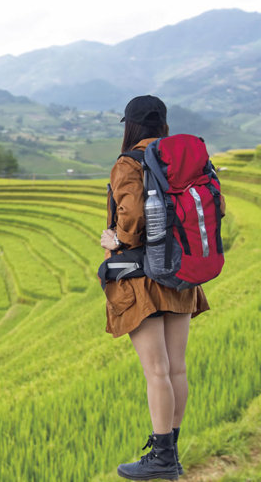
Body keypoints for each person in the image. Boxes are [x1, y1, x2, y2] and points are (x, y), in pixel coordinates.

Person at [100, 95, 219, 481]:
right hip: (181, 272)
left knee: (156, 370)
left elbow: (133, 215)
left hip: (142, 278)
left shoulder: (129, 162)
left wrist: (115, 239)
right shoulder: (181, 159)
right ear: (163, 124)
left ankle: (162, 456)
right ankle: (171, 452)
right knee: (176, 368)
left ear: (131, 126)